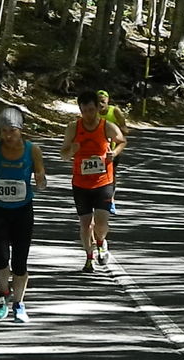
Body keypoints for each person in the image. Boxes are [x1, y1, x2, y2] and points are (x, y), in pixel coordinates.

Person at [0, 107, 47, 323]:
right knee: (0, 258)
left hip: (23, 210)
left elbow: (40, 174)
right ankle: (4, 293)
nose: (8, 136)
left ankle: (19, 303)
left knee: (20, 261)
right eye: (4, 131)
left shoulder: (32, 150)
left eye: (12, 131)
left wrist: (41, 181)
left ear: (21, 130)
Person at [60, 91, 127, 273]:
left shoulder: (107, 126)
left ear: (98, 108)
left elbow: (121, 140)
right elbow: (63, 154)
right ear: (80, 110)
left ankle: (101, 241)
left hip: (103, 181)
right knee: (84, 224)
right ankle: (89, 257)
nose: (88, 115)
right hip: (81, 183)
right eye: (84, 111)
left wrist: (115, 152)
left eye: (91, 110)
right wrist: (71, 150)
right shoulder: (73, 128)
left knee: (101, 222)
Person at [97, 89, 129, 214]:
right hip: (96, 149)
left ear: (107, 101)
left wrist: (119, 130)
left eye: (103, 101)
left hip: (112, 148)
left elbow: (124, 127)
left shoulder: (114, 111)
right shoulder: (92, 112)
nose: (100, 104)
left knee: (111, 174)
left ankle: (111, 200)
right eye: (98, 101)